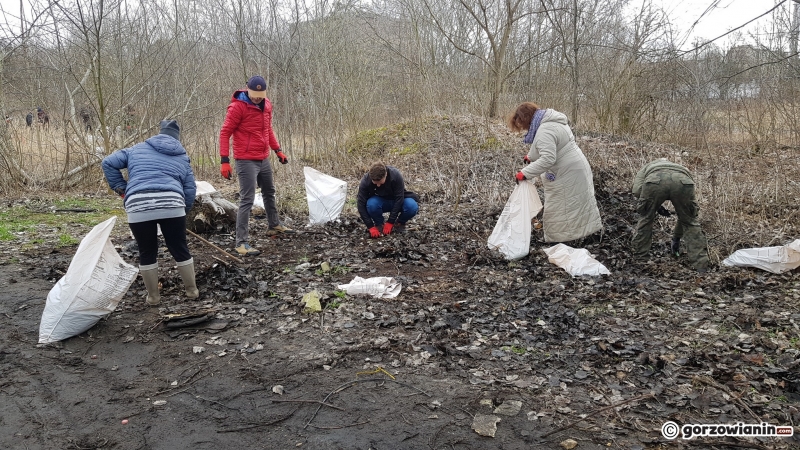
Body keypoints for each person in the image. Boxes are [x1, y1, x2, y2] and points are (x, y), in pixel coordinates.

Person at [102, 120, 198, 305]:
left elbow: (108, 163)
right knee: (179, 248)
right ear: (177, 138)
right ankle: (192, 291)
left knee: (147, 251)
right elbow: (189, 189)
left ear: (159, 133)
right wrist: (181, 211)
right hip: (172, 203)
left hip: (138, 205)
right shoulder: (182, 157)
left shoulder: (136, 149)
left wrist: (122, 189)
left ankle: (153, 297)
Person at [219, 75, 293, 257]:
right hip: (245, 159)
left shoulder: (267, 105)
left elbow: (268, 130)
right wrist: (224, 161)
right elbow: (225, 133)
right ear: (247, 90)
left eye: (260, 94)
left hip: (263, 157)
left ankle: (274, 225)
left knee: (269, 192)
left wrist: (278, 150)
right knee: (247, 199)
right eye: (254, 94)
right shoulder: (237, 107)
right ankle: (241, 242)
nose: (257, 98)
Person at [508, 102, 602, 243]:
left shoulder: (544, 130)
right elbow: (551, 145)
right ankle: (579, 237)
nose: (523, 128)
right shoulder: (550, 122)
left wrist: (525, 173)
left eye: (522, 124)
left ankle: (560, 241)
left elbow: (548, 158)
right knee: (576, 205)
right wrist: (531, 156)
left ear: (527, 118)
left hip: (568, 173)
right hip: (575, 168)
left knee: (559, 208)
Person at [631, 159, 709, 271]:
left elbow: (637, 191)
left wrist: (653, 206)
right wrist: (676, 239)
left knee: (646, 218)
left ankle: (640, 259)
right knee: (690, 221)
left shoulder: (646, 167)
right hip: (683, 181)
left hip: (654, 181)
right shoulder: (680, 167)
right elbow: (684, 217)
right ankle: (701, 266)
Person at [356, 162, 419, 238]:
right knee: (371, 204)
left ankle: (399, 223)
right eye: (375, 183)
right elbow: (360, 205)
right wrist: (370, 226)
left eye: (380, 182)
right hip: (380, 201)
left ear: (386, 175)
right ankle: (379, 224)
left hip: (398, 200)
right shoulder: (365, 181)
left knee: (412, 207)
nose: (378, 185)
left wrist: (390, 221)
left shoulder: (395, 175)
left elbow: (399, 198)